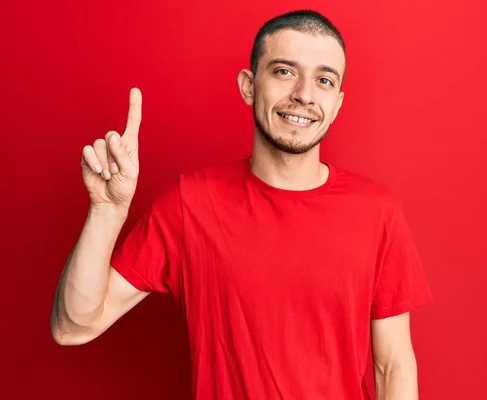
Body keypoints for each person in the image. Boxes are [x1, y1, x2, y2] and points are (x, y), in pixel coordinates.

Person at [50, 9, 433, 400]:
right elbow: (73, 327)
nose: (304, 93)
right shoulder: (191, 204)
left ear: (337, 103)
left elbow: (393, 365)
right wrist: (106, 211)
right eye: (284, 71)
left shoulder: (376, 212)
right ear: (249, 85)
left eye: (323, 79)